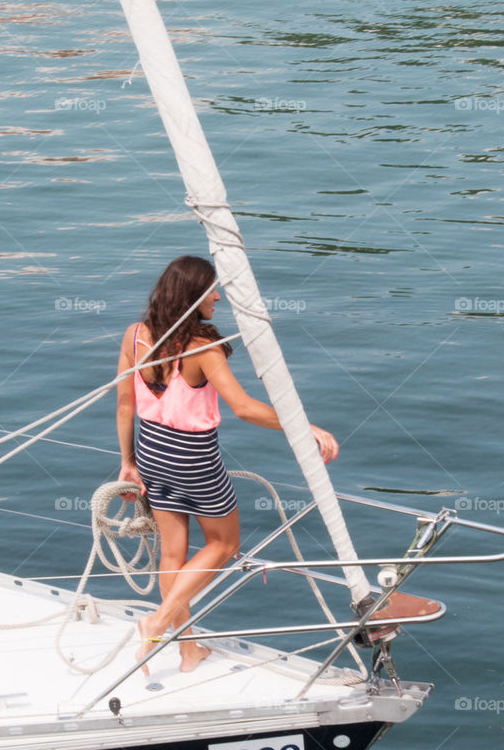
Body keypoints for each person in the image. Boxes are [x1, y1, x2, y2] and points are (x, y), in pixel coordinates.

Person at [116, 255, 339, 673]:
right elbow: (244, 408)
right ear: (191, 296)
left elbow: (126, 402)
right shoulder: (202, 348)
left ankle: (187, 651)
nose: (218, 297)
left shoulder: (134, 336)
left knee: (173, 556)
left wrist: (128, 462)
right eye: (211, 291)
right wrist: (303, 426)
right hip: (193, 459)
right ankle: (158, 623)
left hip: (151, 454)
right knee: (224, 545)